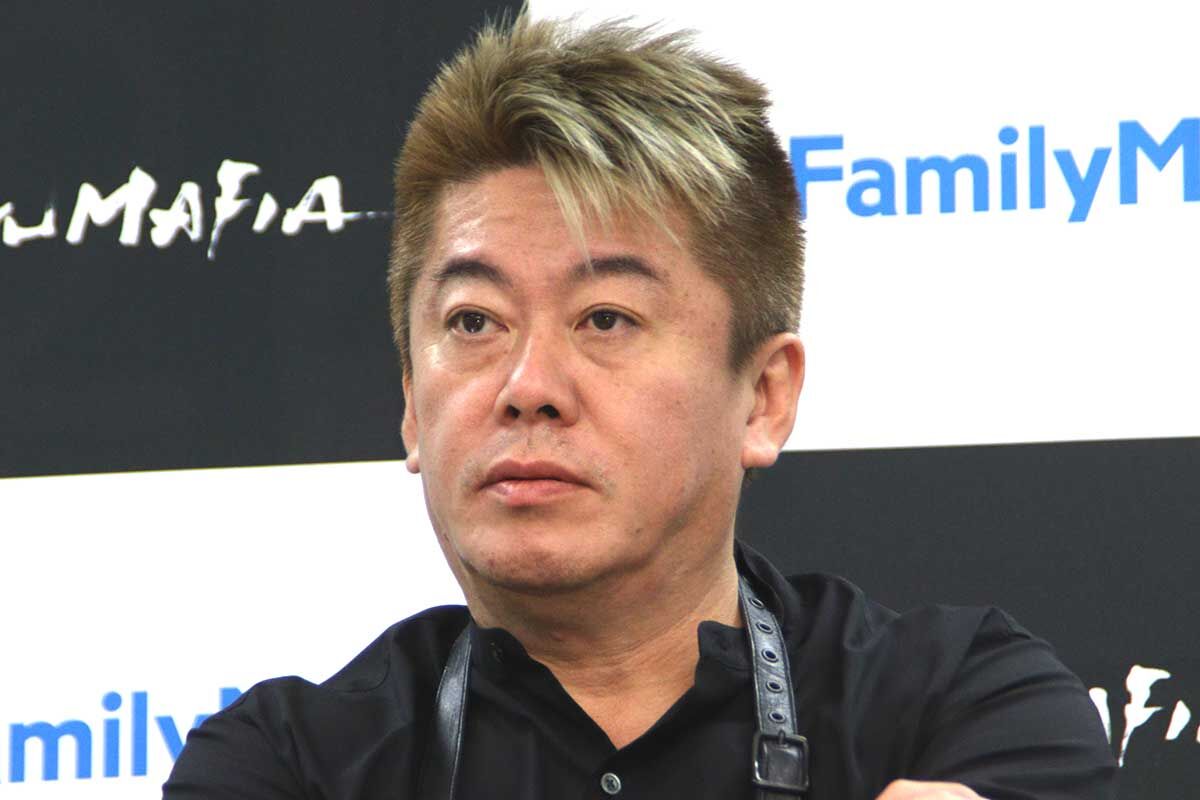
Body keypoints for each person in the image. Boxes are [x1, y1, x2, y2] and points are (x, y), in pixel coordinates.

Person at [163, 12, 1116, 800]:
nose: (527, 386)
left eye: (606, 319)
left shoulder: (964, 706)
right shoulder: (283, 764)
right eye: (474, 321)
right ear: (412, 405)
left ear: (764, 397)